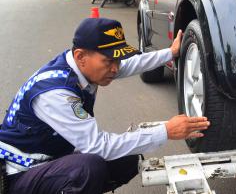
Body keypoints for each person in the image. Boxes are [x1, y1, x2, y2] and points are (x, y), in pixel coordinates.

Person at [0, 18, 210, 193]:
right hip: (20, 172)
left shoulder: (82, 64)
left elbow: (130, 64)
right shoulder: (55, 93)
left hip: (51, 157)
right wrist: (166, 131)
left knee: (127, 159)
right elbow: (98, 146)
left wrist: (169, 52)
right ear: (81, 56)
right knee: (88, 168)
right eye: (109, 61)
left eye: (117, 60)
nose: (115, 68)